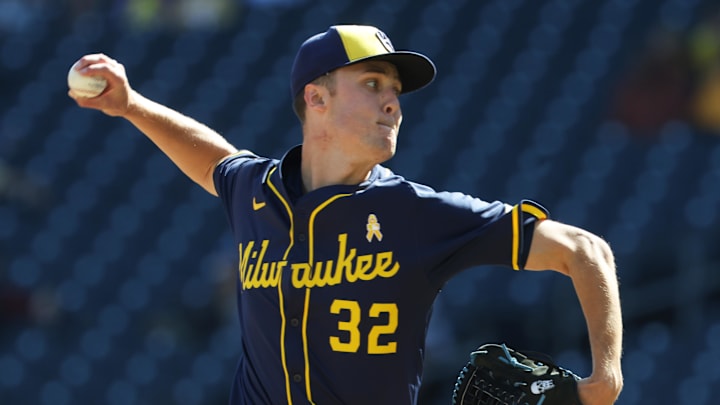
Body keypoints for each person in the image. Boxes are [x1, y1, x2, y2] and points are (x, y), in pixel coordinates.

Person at [69, 25, 623, 405]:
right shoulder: (256, 191)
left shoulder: (415, 213)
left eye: (396, 92)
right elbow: (215, 159)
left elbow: (585, 250)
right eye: (373, 84)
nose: (393, 103)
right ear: (316, 99)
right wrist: (130, 104)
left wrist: (605, 380)